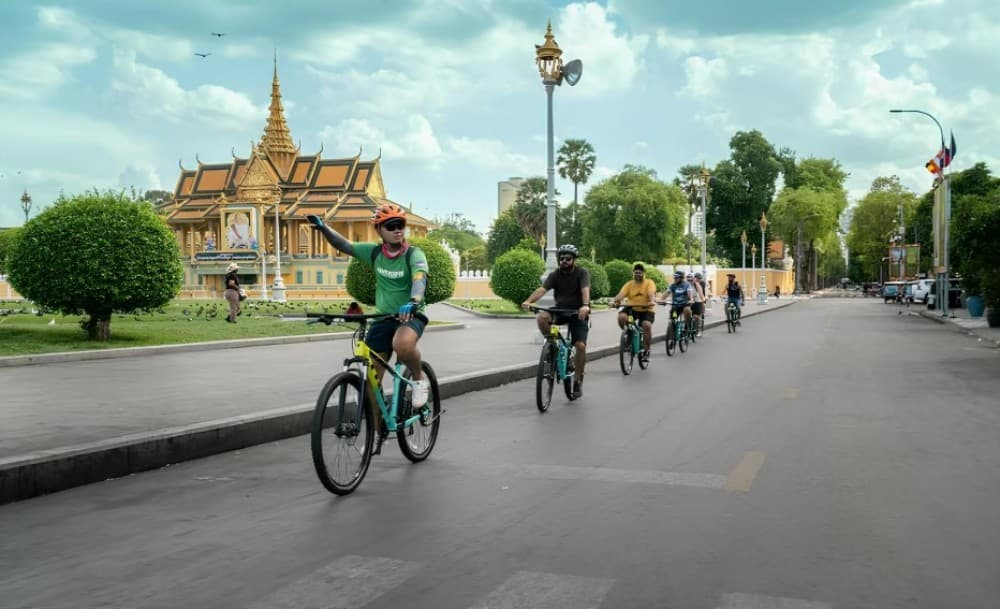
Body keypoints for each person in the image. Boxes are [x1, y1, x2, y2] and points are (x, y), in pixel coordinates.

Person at [307, 204, 431, 427]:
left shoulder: (414, 254)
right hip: (382, 319)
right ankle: (378, 427)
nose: (397, 230)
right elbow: (344, 244)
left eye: (400, 225)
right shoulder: (374, 253)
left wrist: (413, 302)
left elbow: (420, 278)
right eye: (391, 226)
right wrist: (324, 228)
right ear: (379, 230)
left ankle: (419, 379)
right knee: (370, 380)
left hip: (410, 316)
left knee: (402, 345)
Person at [521, 244, 590, 398]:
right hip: (560, 310)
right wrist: (528, 301)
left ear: (574, 260)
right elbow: (542, 290)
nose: (564, 261)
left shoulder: (582, 273)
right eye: (562, 258)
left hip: (578, 312)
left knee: (580, 345)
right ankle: (553, 347)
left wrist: (585, 306)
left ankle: (578, 381)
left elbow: (585, 290)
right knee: (542, 318)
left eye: (568, 258)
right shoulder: (555, 275)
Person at [612, 263, 656, 359]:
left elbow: (651, 293)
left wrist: (652, 301)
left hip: (646, 308)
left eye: (640, 273)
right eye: (636, 273)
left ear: (644, 273)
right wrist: (615, 301)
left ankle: (646, 351)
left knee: (646, 325)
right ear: (633, 274)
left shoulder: (649, 283)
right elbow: (621, 294)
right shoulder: (629, 284)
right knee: (621, 317)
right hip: (632, 308)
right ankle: (629, 334)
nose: (638, 275)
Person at [689, 272, 707, 337]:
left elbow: (703, 293)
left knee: (697, 316)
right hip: (689, 301)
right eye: (696, 278)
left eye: (699, 278)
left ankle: (698, 329)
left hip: (698, 301)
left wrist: (704, 299)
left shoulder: (702, 284)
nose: (698, 279)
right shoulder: (687, 284)